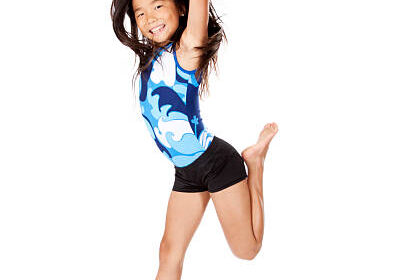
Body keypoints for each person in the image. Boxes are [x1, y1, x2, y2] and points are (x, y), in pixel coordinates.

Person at [110, 0, 279, 278]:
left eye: (158, 6)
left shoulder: (188, 49)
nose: (149, 18)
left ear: (181, 9)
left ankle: (256, 163)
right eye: (140, 13)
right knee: (168, 251)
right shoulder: (152, 58)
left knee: (246, 250)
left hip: (215, 163)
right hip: (187, 171)